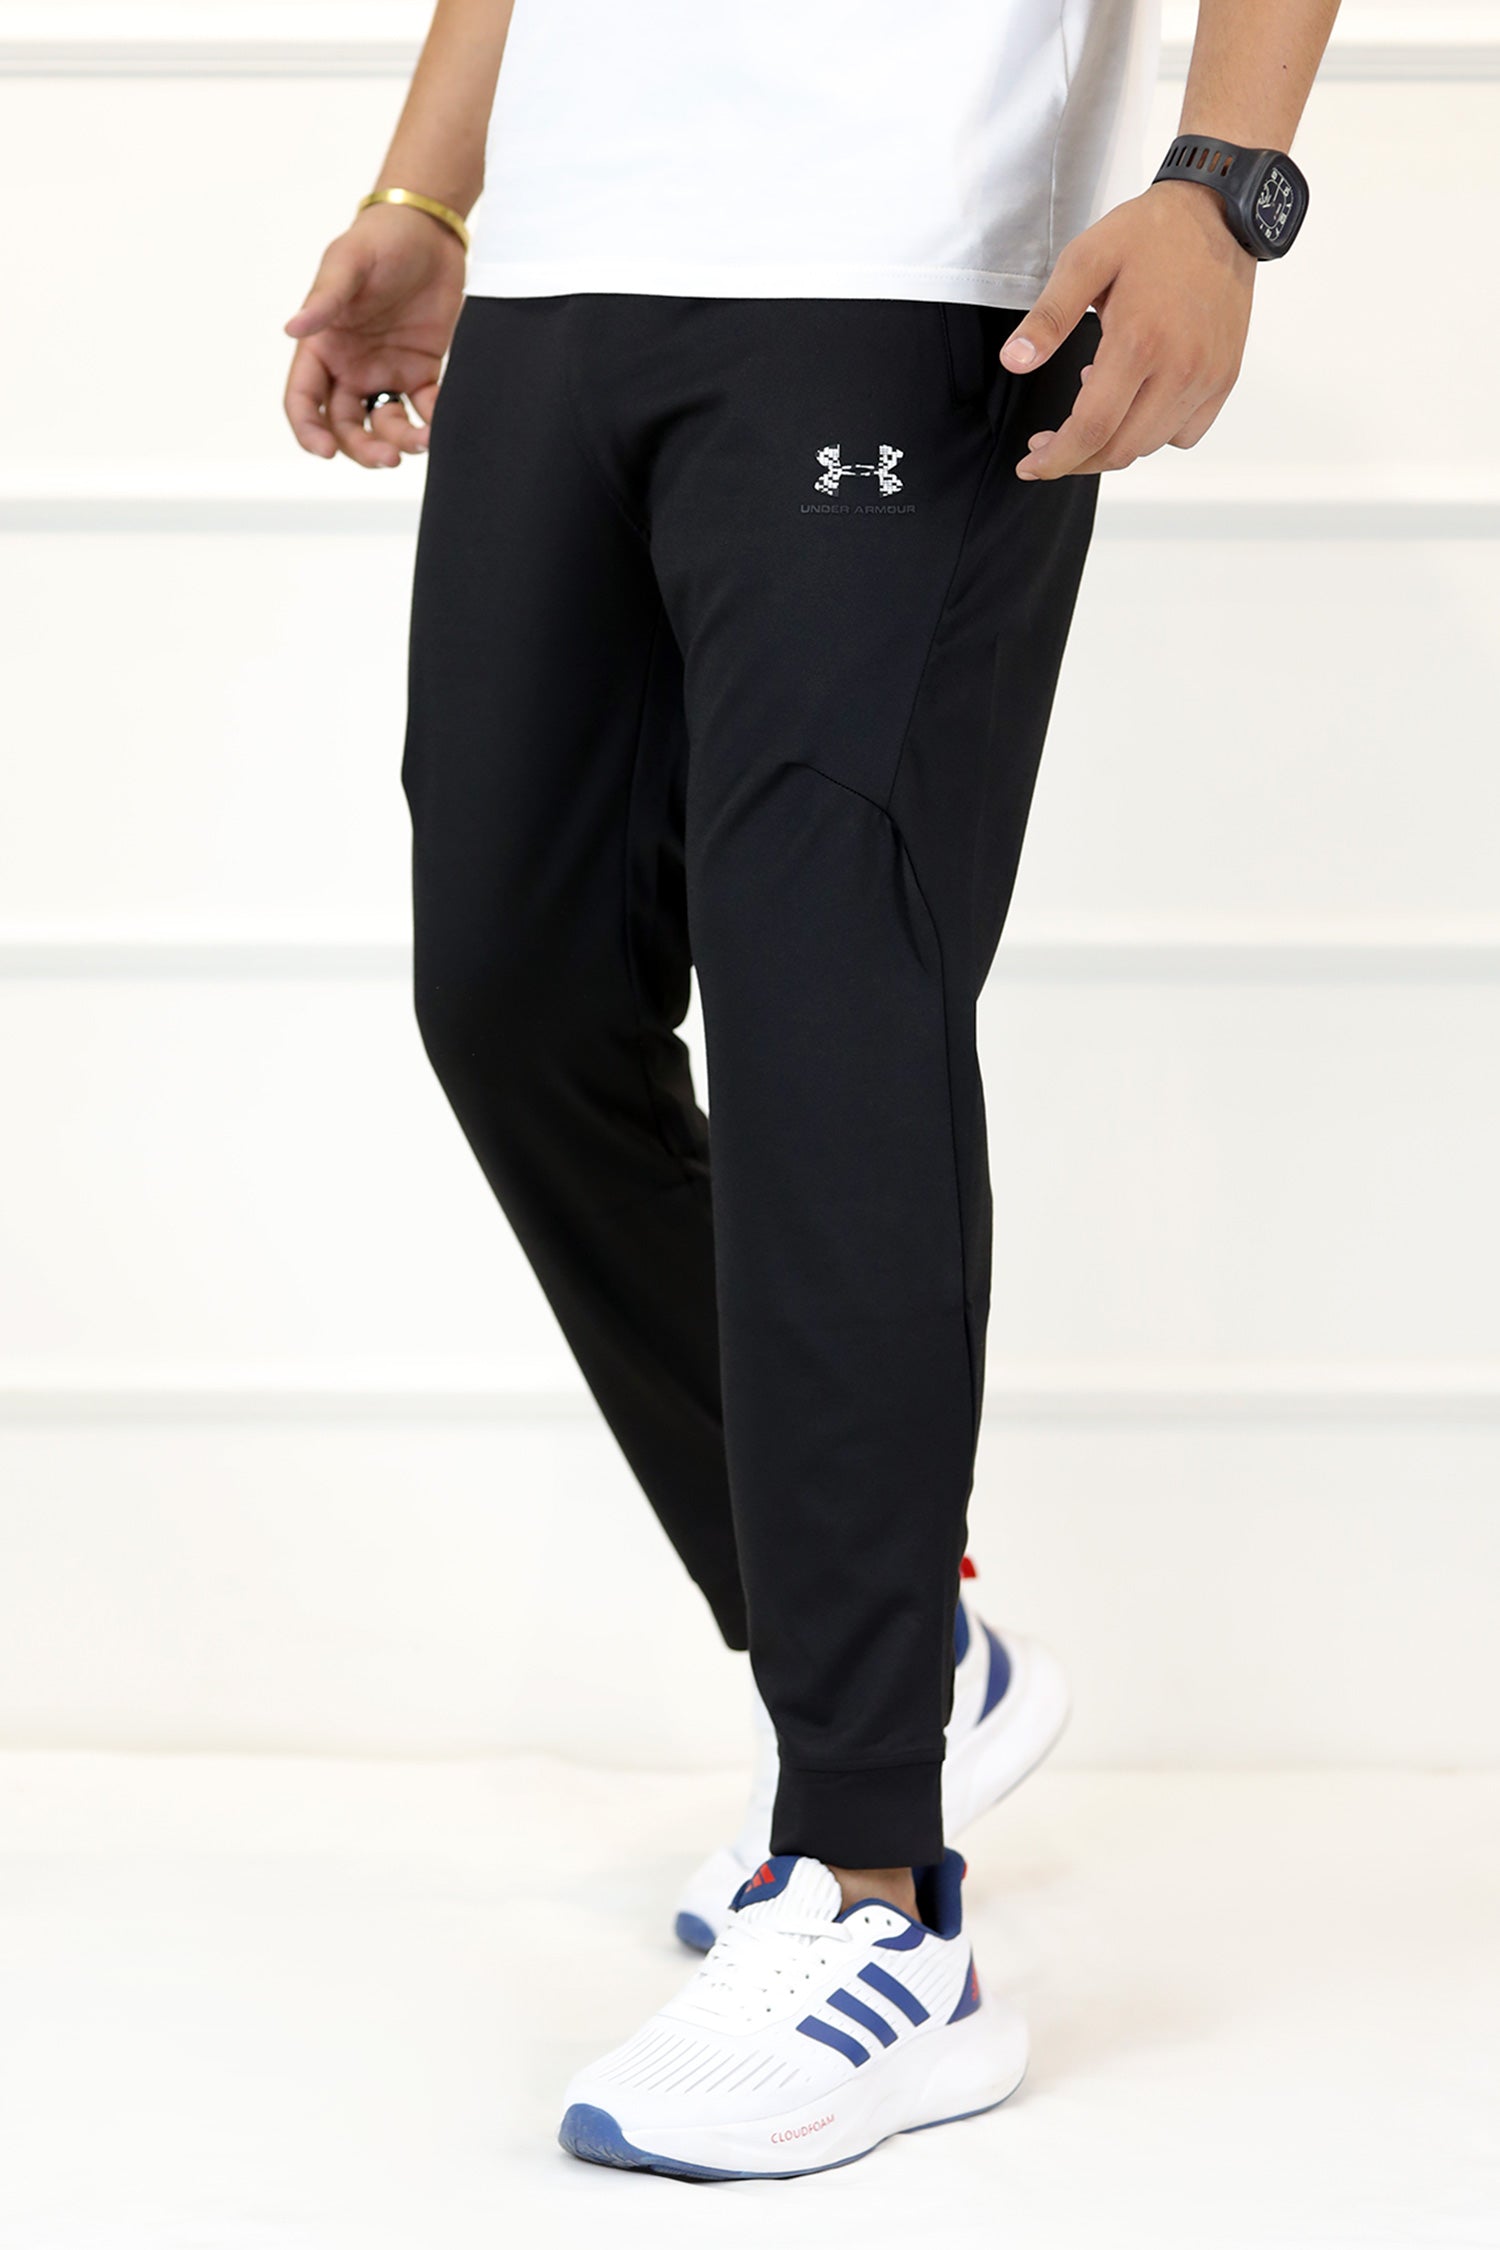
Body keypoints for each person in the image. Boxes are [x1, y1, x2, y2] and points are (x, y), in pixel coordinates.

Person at [284, 0, 1339, 2180]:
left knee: (825, 1013)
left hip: (911, 270)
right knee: (515, 991)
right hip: (573, 274)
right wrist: (427, 191)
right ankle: (902, 1643)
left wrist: (1226, 184)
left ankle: (877, 1891)